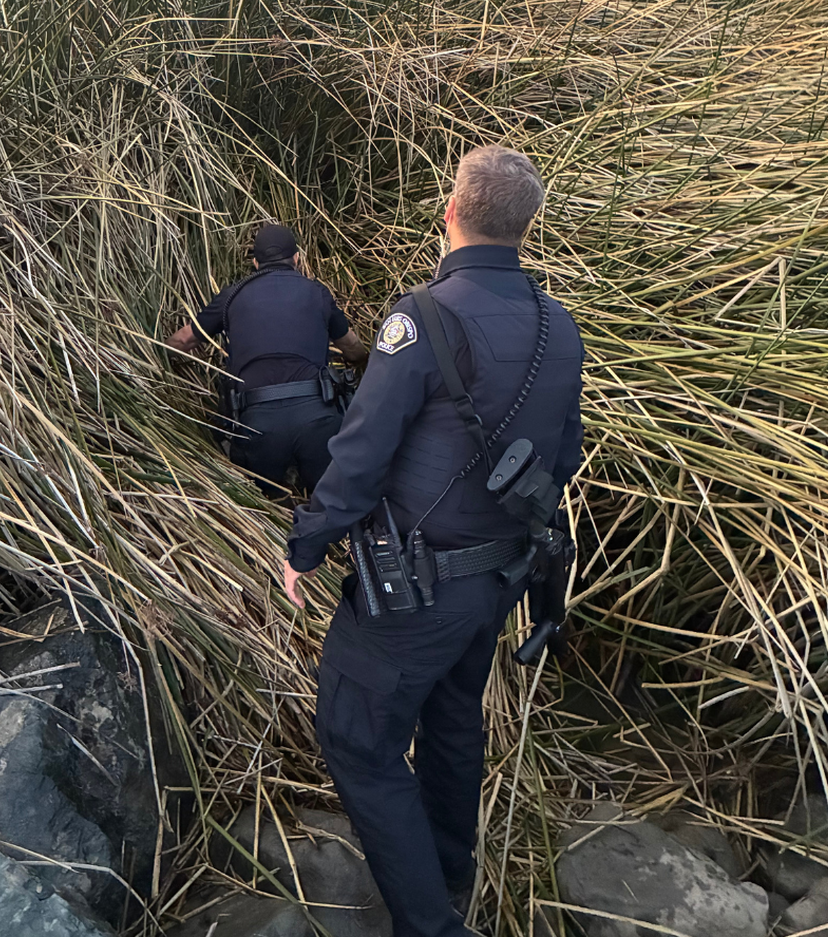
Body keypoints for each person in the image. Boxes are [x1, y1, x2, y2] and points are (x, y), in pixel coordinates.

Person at [282, 146, 584, 937]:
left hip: (414, 592)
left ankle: (434, 924)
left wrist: (307, 542)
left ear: (449, 213)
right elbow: (563, 458)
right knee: (453, 719)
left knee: (356, 738)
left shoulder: (419, 318)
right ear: (526, 226)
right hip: (495, 582)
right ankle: (452, 871)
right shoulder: (560, 325)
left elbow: (361, 448)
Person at [167, 223, 368, 494]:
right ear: (296, 258)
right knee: (327, 500)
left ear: (255, 262)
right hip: (317, 420)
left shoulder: (232, 296)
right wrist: (363, 362)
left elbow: (182, 341)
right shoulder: (317, 293)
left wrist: (153, 357)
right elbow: (352, 346)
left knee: (266, 499)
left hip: (258, 425)